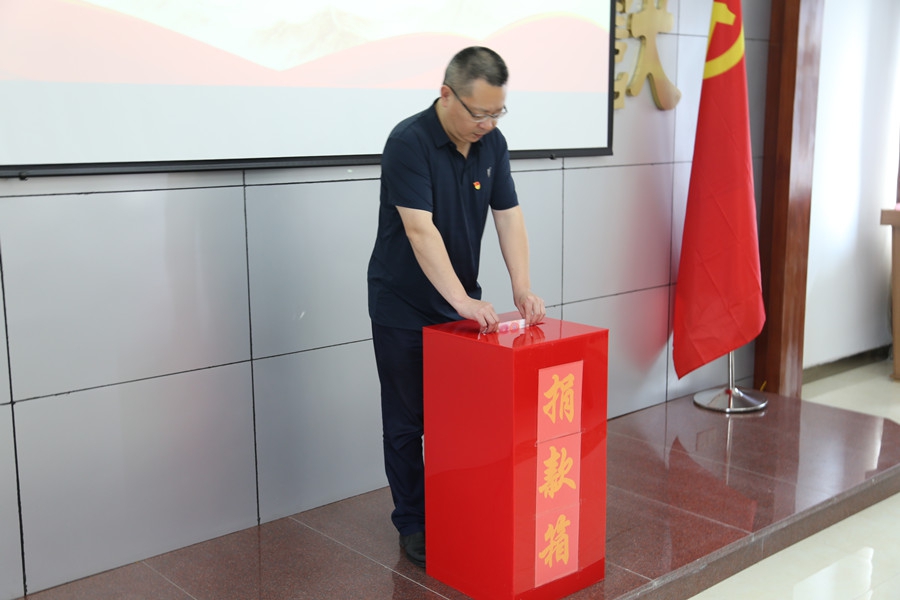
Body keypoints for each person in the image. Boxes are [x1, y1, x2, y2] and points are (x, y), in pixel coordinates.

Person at [367, 46, 545, 568]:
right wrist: (462, 299)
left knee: (459, 419)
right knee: (407, 422)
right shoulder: (409, 141)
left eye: (498, 112)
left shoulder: (493, 144)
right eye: (479, 113)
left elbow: (508, 215)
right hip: (403, 305)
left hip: (458, 306)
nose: (488, 124)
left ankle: (457, 507)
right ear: (447, 95)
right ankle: (413, 522)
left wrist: (521, 286)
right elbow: (419, 230)